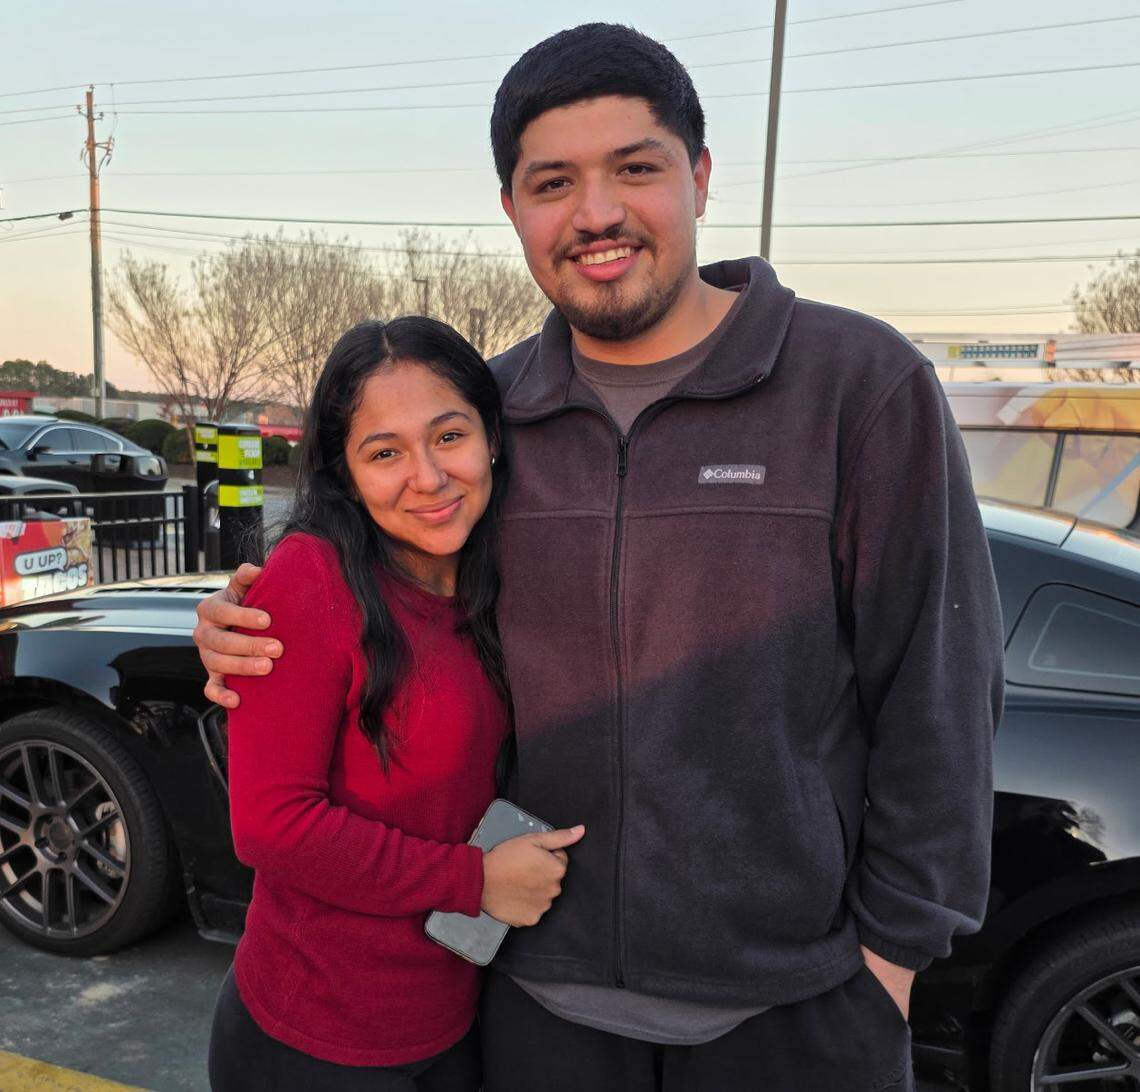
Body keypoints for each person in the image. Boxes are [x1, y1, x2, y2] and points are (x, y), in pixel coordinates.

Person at [195, 24, 1004, 1092]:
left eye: (636, 168)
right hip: (536, 1009)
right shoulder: (483, 416)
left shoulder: (857, 386)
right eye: (553, 183)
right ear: (514, 211)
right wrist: (236, 624)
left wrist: (890, 965)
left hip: (798, 1016)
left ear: (700, 177)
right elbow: (369, 590)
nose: (598, 213)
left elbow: (940, 693)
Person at [206, 317, 584, 1092]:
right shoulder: (313, 581)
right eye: (385, 453)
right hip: (316, 1039)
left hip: (454, 1019)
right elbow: (271, 826)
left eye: (449, 437)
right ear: (345, 474)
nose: (429, 477)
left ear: (492, 439)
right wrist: (471, 881)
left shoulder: (499, 573)